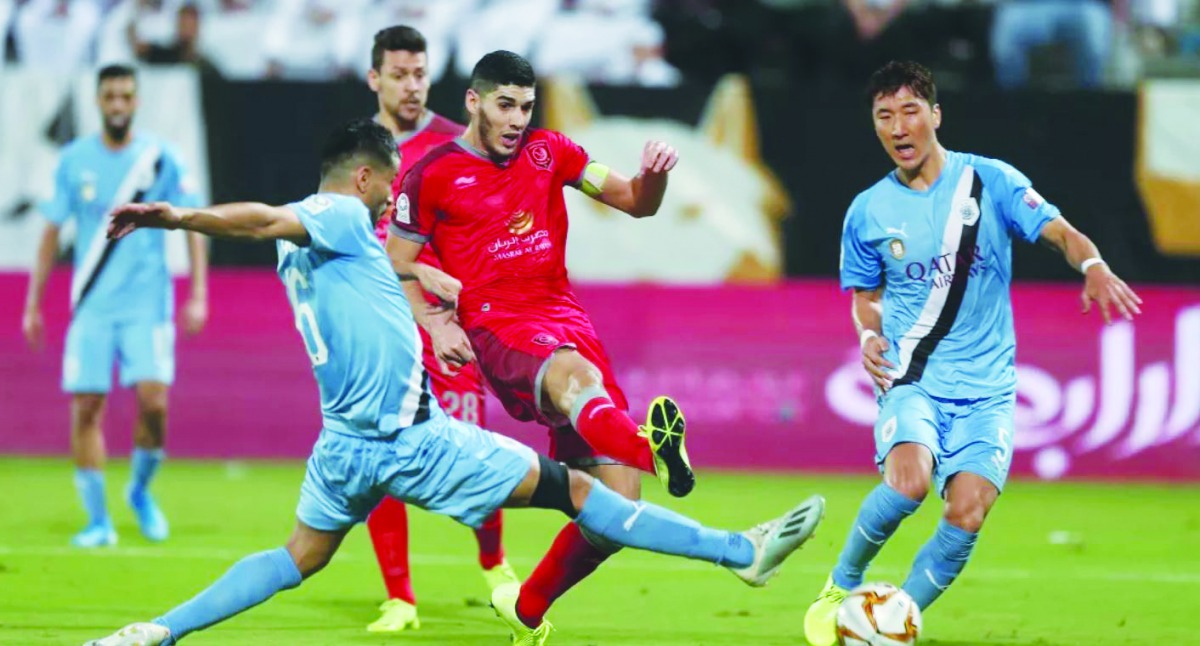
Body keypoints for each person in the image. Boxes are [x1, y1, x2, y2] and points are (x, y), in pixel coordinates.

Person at [83, 118, 826, 646]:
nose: (385, 208)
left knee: (294, 559)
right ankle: (741, 554)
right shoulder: (337, 212)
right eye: (383, 193)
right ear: (365, 177)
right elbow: (264, 219)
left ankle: (160, 630)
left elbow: (366, 270)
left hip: (341, 447)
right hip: (411, 441)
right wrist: (177, 217)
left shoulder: (321, 254)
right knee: (581, 494)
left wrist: (435, 295)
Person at [802, 60, 1143, 646]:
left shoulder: (990, 182)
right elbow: (864, 296)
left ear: (935, 115)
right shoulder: (868, 211)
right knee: (908, 482)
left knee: (967, 512)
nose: (898, 127)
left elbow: (1061, 232)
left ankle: (894, 616)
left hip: (988, 390)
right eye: (885, 116)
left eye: (910, 111)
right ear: (875, 127)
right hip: (913, 376)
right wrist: (866, 335)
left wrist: (1093, 266)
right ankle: (839, 586)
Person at [385, 49, 691, 640]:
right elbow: (393, 264)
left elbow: (634, 201)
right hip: (498, 325)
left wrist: (655, 174)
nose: (518, 119)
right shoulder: (430, 175)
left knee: (615, 513)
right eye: (505, 105)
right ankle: (653, 451)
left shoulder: (552, 151)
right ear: (474, 102)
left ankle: (526, 606)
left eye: (526, 106)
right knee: (577, 379)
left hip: (567, 316)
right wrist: (436, 324)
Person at [362, 24, 517, 634]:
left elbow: (487, 233)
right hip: (379, 334)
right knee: (379, 463)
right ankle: (400, 598)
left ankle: (495, 563)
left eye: (419, 73)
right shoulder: (359, 151)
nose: (410, 85)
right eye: (398, 74)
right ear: (375, 78)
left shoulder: (458, 143)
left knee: (471, 456)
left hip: (444, 329)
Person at [22, 64, 209, 548]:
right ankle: (98, 520)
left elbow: (194, 223)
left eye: (126, 96)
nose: (119, 105)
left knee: (154, 404)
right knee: (87, 405)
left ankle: (141, 492)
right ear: (99, 101)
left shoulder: (160, 159)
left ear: (136, 100)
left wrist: (199, 293)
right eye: (111, 97)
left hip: (148, 304)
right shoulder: (73, 160)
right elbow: (50, 232)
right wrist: (33, 304)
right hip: (93, 307)